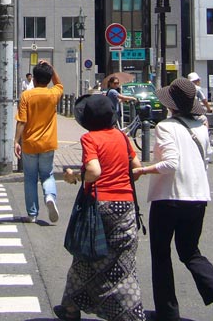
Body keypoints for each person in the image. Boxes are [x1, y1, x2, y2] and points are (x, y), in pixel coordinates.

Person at [132, 76, 213, 321]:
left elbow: (170, 163)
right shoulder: (201, 126)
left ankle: (168, 312)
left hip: (168, 198)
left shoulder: (165, 127)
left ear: (171, 104)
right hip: (197, 196)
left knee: (161, 254)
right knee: (189, 251)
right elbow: (204, 158)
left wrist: (142, 170)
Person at [56, 94, 145, 321]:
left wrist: (74, 176)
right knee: (123, 264)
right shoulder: (122, 137)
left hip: (99, 205)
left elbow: (94, 172)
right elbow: (136, 168)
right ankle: (130, 314)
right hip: (125, 205)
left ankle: (71, 307)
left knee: (86, 257)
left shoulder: (91, 139)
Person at [14, 61, 64, 223]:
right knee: (47, 174)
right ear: (48, 80)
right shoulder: (53, 94)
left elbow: (21, 121)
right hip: (48, 142)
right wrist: (52, 67)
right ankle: (49, 196)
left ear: (34, 79)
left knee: (30, 178)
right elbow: (59, 83)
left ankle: (32, 214)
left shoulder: (26, 96)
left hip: (29, 143)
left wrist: (16, 141)